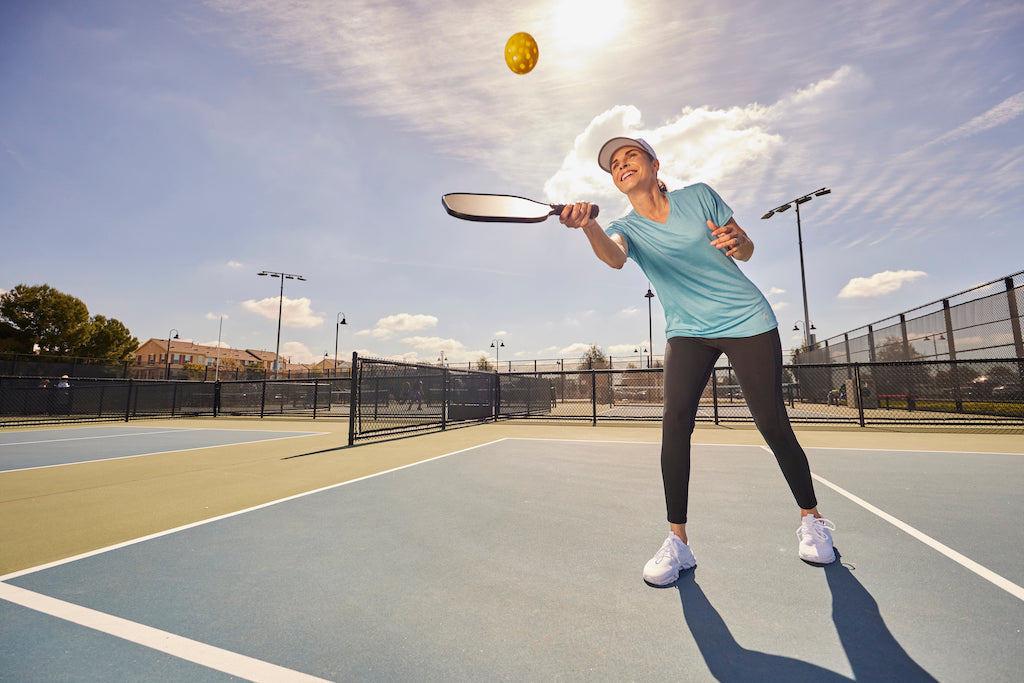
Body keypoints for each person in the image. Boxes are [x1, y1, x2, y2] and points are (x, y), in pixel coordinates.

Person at [559, 136, 836, 586]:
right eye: (614, 164)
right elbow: (613, 258)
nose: (622, 164)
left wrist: (741, 240)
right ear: (614, 181)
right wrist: (588, 225)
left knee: (771, 422)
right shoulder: (625, 226)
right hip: (688, 330)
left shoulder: (700, 196)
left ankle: (812, 520)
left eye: (631, 156)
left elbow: (744, 249)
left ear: (654, 164)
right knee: (674, 424)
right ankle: (678, 542)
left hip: (747, 318)